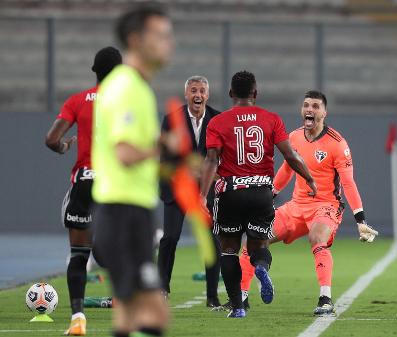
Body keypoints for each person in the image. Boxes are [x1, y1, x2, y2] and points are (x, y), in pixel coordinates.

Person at [238, 90, 379, 316]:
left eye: (315, 106)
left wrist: (360, 219)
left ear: (324, 112)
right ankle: (240, 298)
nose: (309, 110)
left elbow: (348, 183)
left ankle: (325, 299)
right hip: (296, 206)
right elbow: (286, 170)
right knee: (253, 238)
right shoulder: (293, 137)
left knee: (317, 238)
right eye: (306, 105)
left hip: (326, 206)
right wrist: (269, 196)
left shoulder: (337, 144)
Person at [200, 71, 317, 318]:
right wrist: (308, 177)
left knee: (229, 249)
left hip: (230, 192)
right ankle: (261, 267)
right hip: (261, 192)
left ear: (231, 94)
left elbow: (211, 161)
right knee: (258, 245)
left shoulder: (218, 122)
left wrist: (202, 195)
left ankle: (238, 307)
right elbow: (290, 156)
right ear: (255, 93)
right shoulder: (271, 119)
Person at [91, 5, 174, 337]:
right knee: (154, 313)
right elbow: (125, 153)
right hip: (123, 214)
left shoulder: (134, 86)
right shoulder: (127, 87)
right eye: (162, 35)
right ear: (136, 40)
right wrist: (166, 146)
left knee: (126, 315)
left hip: (126, 211)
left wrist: (171, 161)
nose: (170, 43)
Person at [45, 46, 122, 336]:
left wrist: (65, 147)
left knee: (78, 254)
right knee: (111, 251)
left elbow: (51, 138)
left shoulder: (78, 100)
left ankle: (78, 318)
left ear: (94, 71)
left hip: (85, 181)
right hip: (114, 184)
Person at [158, 75, 222, 308]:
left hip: (206, 190)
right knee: (170, 238)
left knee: (212, 240)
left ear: (208, 94)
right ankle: (162, 289)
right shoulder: (171, 119)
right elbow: (164, 158)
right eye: (193, 90)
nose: (198, 95)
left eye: (202, 91)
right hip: (176, 187)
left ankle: (212, 296)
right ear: (186, 94)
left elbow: (220, 159)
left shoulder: (217, 118)